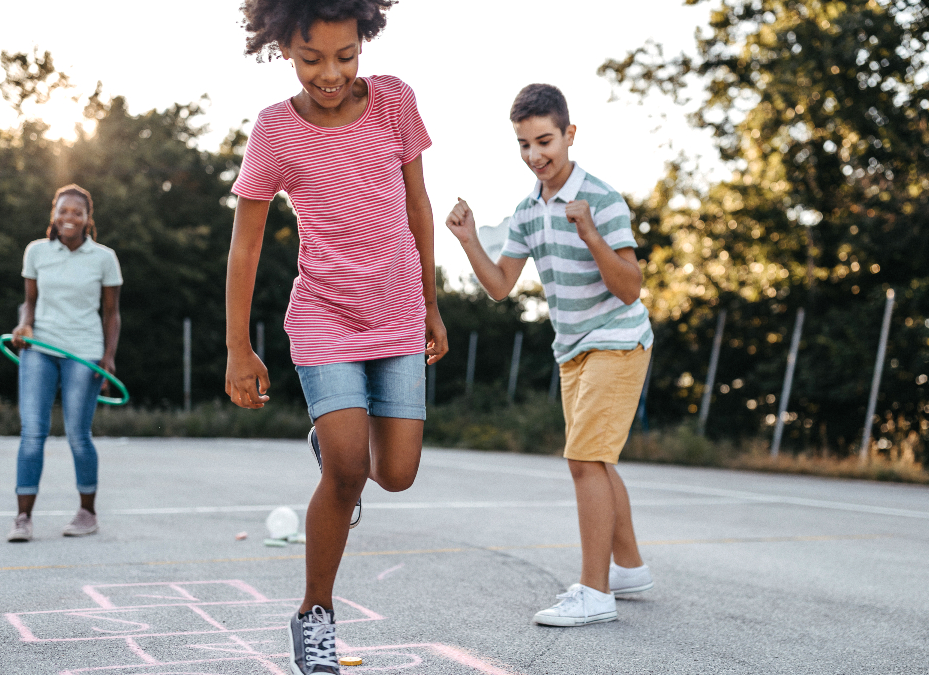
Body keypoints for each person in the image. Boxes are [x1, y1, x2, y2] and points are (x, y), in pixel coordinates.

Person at [225, 1, 447, 672]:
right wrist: (238, 345)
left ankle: (331, 442)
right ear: (283, 49)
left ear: (364, 42)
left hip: (399, 308)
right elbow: (246, 243)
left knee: (397, 473)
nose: (330, 74)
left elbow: (417, 206)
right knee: (348, 471)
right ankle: (314, 613)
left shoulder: (393, 103)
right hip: (324, 315)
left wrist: (432, 303)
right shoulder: (274, 132)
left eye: (345, 57)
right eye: (311, 59)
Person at [445, 84, 655, 627]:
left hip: (618, 338)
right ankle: (627, 567)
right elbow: (500, 286)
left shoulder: (602, 200)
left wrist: (589, 232)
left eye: (544, 141)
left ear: (569, 135)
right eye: (523, 145)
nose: (536, 155)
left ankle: (595, 592)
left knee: (583, 460)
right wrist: (468, 239)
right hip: (572, 349)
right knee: (596, 458)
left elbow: (630, 287)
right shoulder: (526, 211)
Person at [7, 184, 123, 542]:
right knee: (32, 435)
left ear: (88, 219)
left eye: (77, 212)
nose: (69, 217)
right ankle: (23, 519)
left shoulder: (104, 257)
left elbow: (112, 313)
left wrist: (107, 358)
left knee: (77, 434)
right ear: (53, 215)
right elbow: (30, 301)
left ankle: (87, 513)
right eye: (63, 210)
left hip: (84, 352)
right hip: (39, 348)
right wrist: (24, 324)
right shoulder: (37, 252)